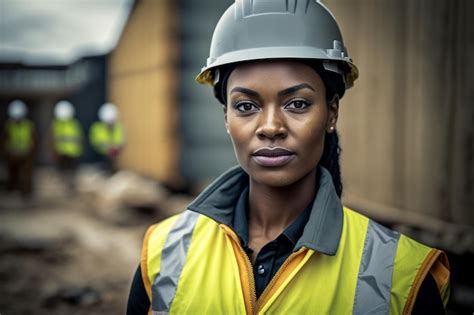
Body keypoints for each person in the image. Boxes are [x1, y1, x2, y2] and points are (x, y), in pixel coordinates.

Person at [127, 1, 450, 314]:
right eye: (245, 106)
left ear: (331, 112)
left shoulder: (402, 277)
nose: (270, 127)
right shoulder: (162, 252)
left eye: (297, 104)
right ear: (226, 118)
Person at [2, 100, 36, 197]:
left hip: (25, 154)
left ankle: (26, 193)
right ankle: (11, 190)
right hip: (12, 155)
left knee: (25, 175)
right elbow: (4, 141)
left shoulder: (28, 126)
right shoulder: (8, 126)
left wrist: (30, 151)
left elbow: (33, 141)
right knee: (12, 173)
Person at [50, 100, 84, 192]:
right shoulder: (57, 125)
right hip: (62, 153)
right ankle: (64, 190)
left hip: (72, 153)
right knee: (63, 174)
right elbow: (52, 139)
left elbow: (78, 139)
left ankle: (69, 190)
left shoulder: (73, 124)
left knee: (70, 175)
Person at [89, 103, 124, 172]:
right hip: (99, 156)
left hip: (113, 156)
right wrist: (107, 147)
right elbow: (95, 142)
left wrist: (115, 147)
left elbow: (120, 141)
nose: (110, 124)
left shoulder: (118, 128)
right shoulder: (97, 128)